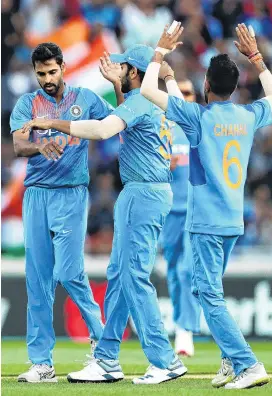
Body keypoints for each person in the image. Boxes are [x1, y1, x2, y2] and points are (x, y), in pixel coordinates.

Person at [22, 45, 187, 385]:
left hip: (143, 192)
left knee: (134, 278)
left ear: (137, 72)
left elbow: (101, 130)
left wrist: (52, 121)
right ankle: (107, 359)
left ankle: (165, 360)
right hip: (142, 192)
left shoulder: (143, 101)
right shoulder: (151, 102)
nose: (119, 69)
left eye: (124, 66)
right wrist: (125, 82)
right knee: (118, 275)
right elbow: (127, 121)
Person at [141, 22, 272, 389]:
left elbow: (145, 89)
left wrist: (159, 53)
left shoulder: (197, 117)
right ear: (234, 88)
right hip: (233, 221)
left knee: (207, 294)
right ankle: (227, 362)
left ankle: (247, 364)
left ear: (205, 86)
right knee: (212, 291)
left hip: (204, 222)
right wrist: (257, 58)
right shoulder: (248, 115)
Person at [10, 42, 111, 383]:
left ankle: (104, 347)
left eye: (52, 72)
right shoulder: (28, 103)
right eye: (41, 74)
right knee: (37, 282)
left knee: (69, 272)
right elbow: (19, 145)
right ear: (34, 72)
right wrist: (39, 144)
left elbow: (117, 119)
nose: (48, 79)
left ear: (63, 67)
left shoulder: (85, 99)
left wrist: (115, 85)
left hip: (71, 194)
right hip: (36, 195)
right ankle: (42, 363)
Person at [161, 78, 202, 357]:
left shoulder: (200, 126)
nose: (183, 97)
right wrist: (163, 163)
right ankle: (180, 326)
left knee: (187, 269)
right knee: (174, 272)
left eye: (188, 93)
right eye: (180, 92)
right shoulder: (162, 127)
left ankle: (186, 330)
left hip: (195, 208)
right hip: (169, 209)